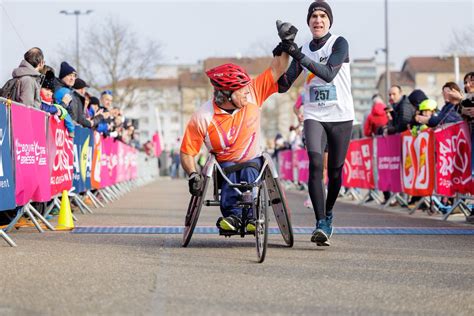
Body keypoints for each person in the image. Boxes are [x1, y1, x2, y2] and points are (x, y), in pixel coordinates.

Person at [180, 49, 289, 233]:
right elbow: (187, 152)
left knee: (249, 168)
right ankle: (233, 216)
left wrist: (286, 45)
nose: (247, 92)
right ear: (226, 94)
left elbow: (277, 68)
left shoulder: (253, 94)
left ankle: (253, 217)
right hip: (224, 166)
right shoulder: (203, 116)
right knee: (230, 168)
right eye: (242, 91)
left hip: (253, 160)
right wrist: (192, 174)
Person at [276, 0, 354, 246]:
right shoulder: (302, 49)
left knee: (335, 172)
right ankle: (321, 222)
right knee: (316, 162)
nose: (318, 20)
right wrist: (281, 54)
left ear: (329, 21)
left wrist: (298, 55)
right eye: (313, 16)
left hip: (341, 115)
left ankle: (329, 213)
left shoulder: (339, 43)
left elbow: (329, 73)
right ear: (308, 22)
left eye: (322, 16)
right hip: (314, 115)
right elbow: (283, 85)